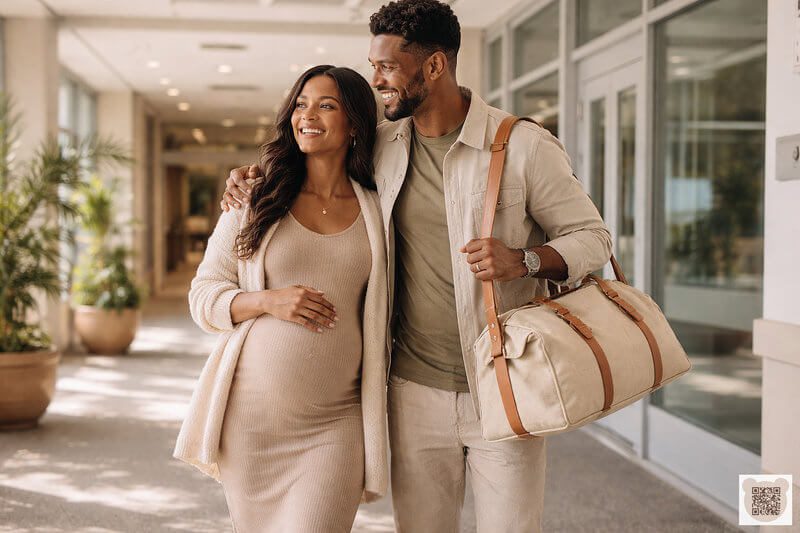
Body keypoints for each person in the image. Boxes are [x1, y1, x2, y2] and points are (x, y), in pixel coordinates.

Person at [222, 1, 612, 531]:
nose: (376, 79)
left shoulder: (521, 146)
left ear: (434, 66)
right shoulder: (383, 144)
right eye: (373, 65)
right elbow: (314, 158)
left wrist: (525, 260)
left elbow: (594, 238)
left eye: (386, 67)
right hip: (411, 388)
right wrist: (252, 178)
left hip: (502, 382)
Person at [173, 65, 389, 533]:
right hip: (253, 420)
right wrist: (268, 301)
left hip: (337, 419)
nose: (307, 116)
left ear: (355, 122)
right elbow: (203, 294)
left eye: (326, 105)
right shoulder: (256, 195)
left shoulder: (378, 207)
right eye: (300, 104)